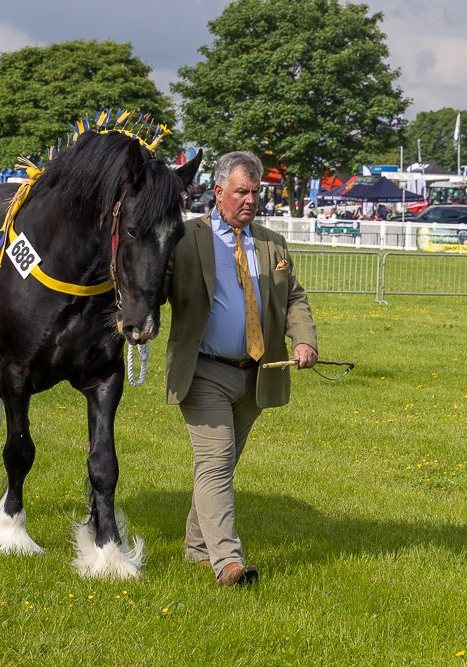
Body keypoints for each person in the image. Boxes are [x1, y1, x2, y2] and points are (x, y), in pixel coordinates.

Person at [163, 151, 318, 587]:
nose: (250, 200)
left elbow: (294, 299)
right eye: (241, 192)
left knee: (221, 466)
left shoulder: (272, 243)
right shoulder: (185, 237)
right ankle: (228, 563)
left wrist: (304, 338)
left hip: (257, 372)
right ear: (217, 192)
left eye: (255, 192)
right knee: (215, 461)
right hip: (203, 371)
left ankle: (197, 546)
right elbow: (151, 282)